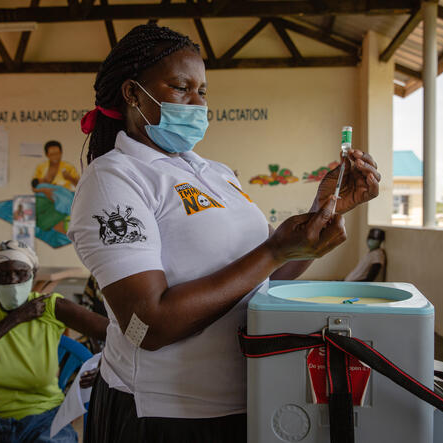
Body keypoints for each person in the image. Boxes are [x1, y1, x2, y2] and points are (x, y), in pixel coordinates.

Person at [67, 24, 381, 442]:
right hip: (165, 418)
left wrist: (320, 214)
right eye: (181, 87)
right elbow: (147, 324)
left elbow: (266, 275)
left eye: (203, 91)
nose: (197, 103)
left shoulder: (213, 173)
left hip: (249, 401)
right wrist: (274, 250)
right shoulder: (114, 178)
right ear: (132, 94)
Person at [0, 240, 109, 443]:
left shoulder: (49, 305)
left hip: (43, 417)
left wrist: (104, 367)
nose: (12, 281)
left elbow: (113, 332)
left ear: (33, 276)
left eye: (21, 273)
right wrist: (15, 319)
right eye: (3, 274)